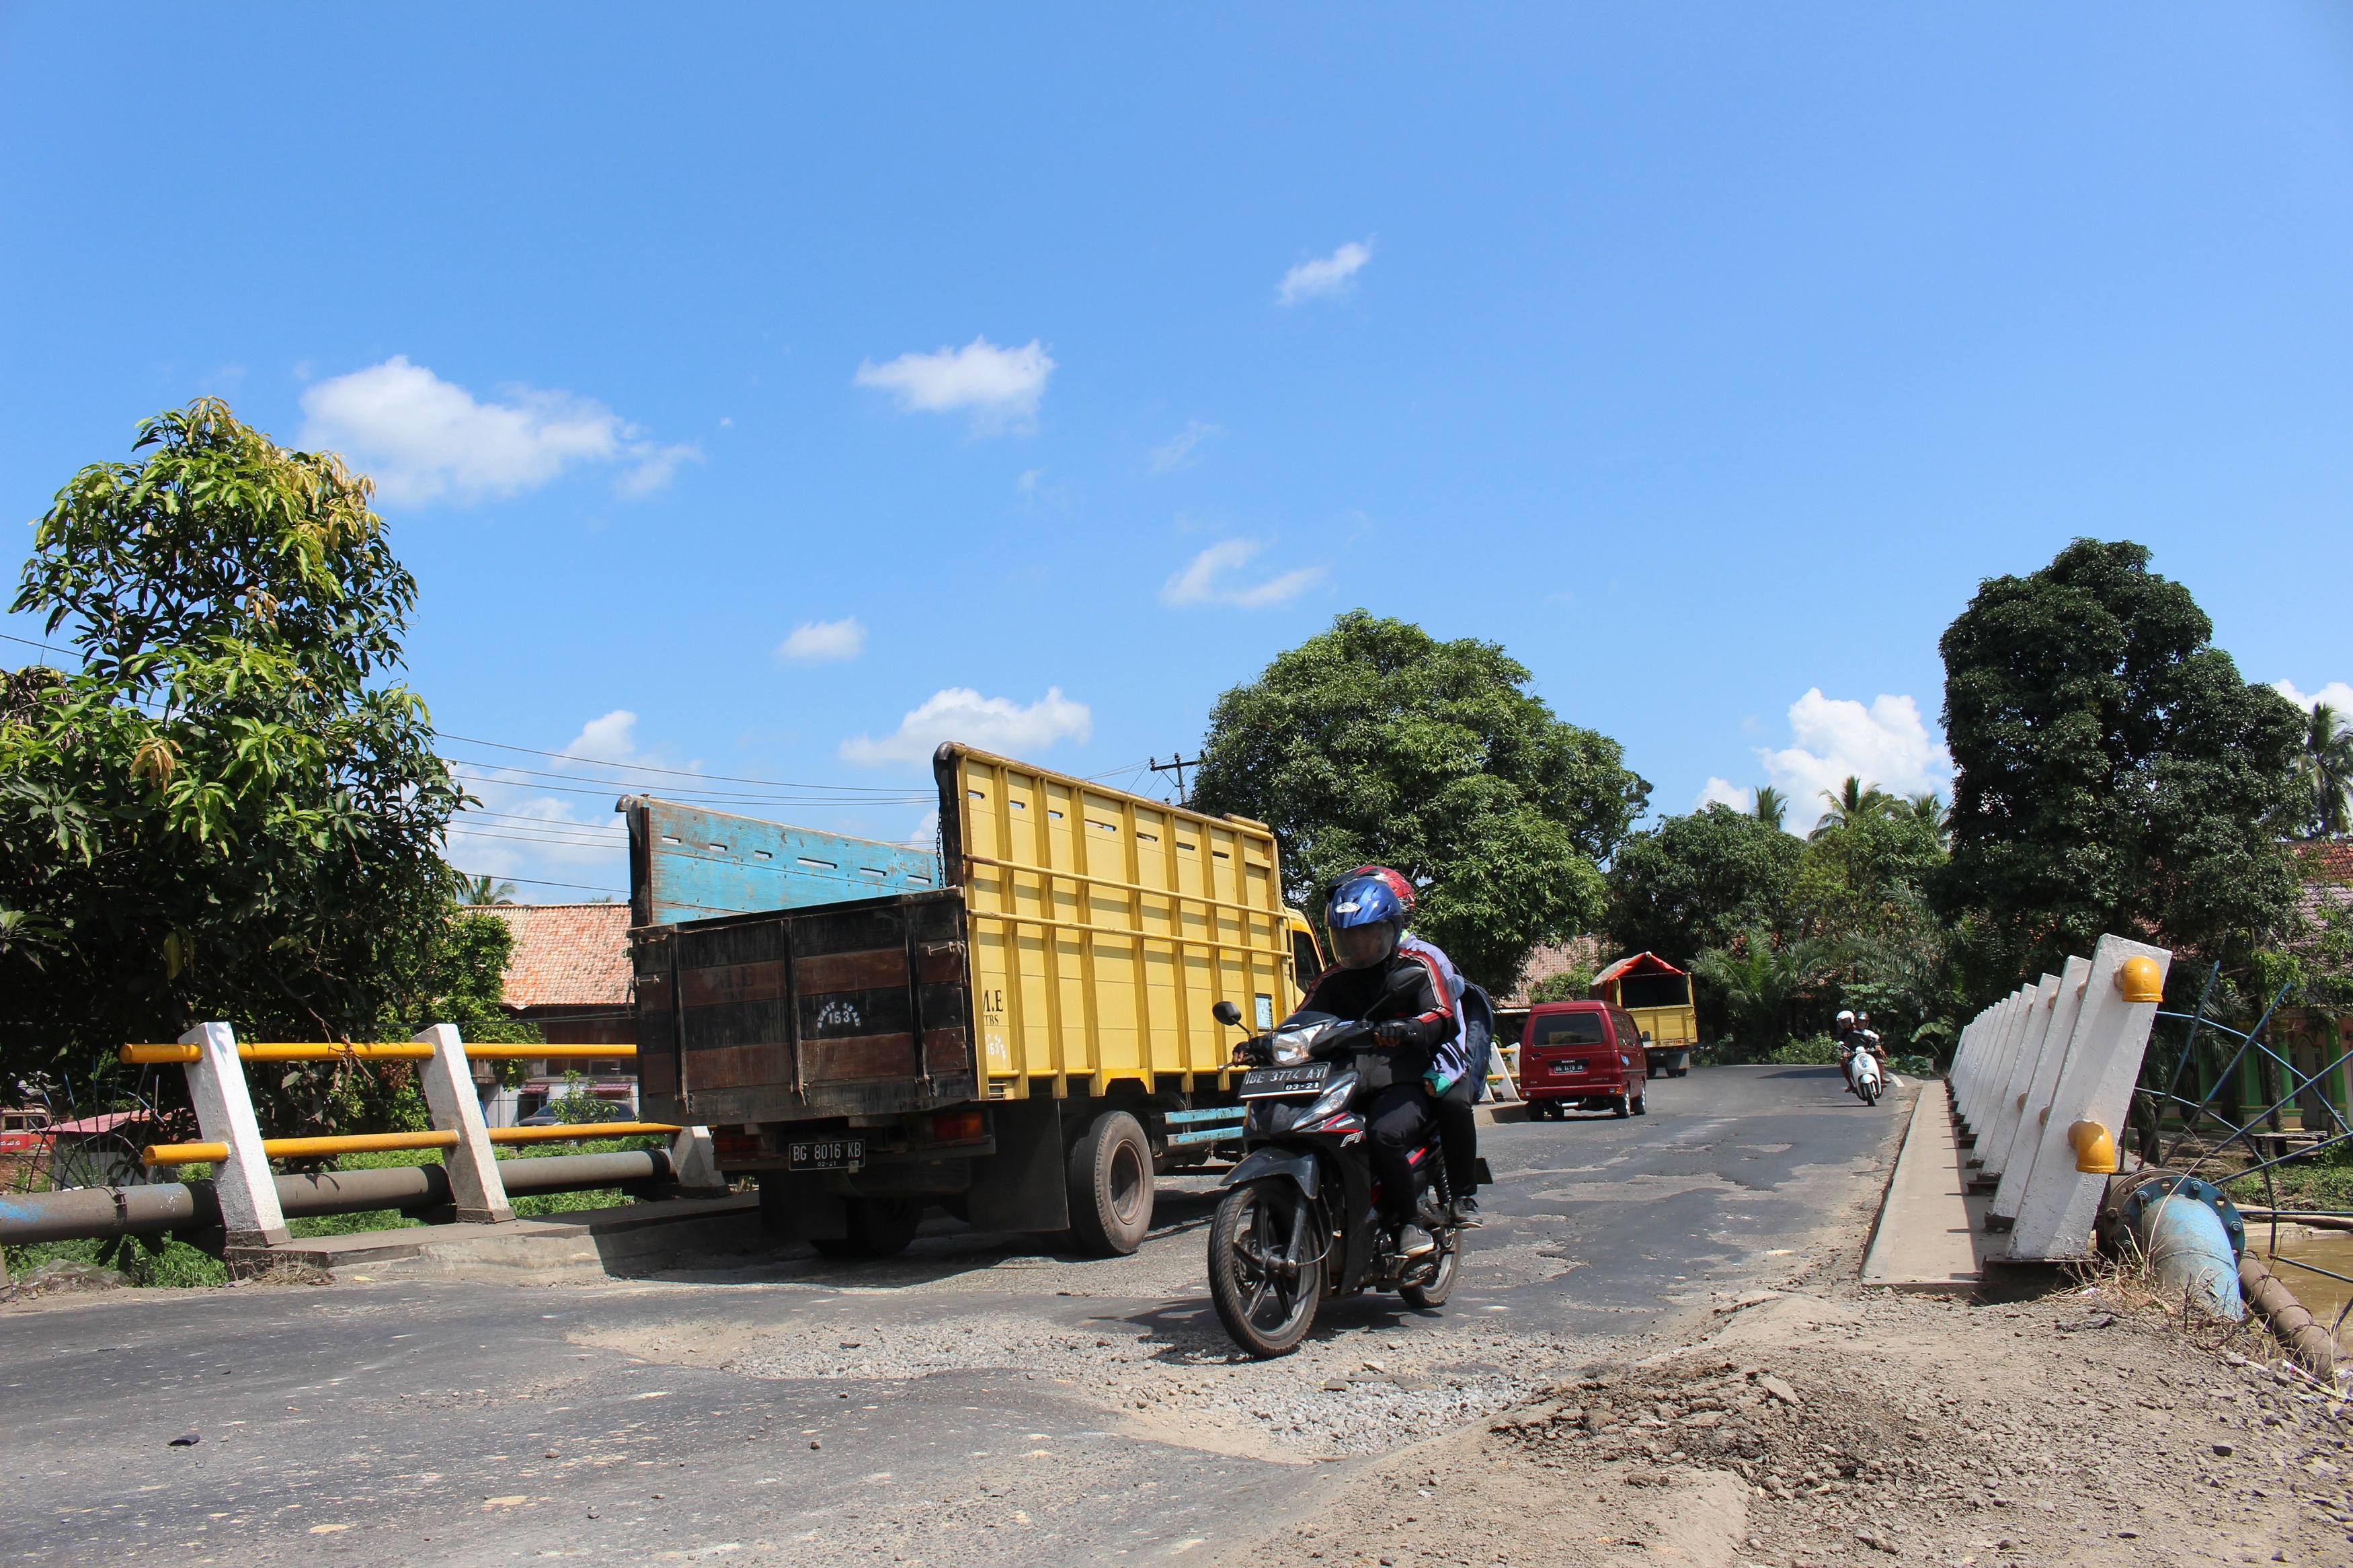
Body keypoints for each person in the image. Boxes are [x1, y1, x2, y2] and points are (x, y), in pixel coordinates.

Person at [1297, 870, 1460, 1258]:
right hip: (1342, 1083)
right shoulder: (1333, 979)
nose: (1356, 942)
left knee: (1384, 1135)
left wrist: (1408, 1029)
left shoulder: (1417, 966)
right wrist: (1262, 1043)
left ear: (1389, 928)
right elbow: (1300, 1020)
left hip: (1400, 1082)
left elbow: (1442, 1014)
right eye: (1348, 935)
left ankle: (1409, 1224)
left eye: (1365, 932)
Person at [1343, 865, 1488, 1229]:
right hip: (1375, 1066)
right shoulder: (1349, 966)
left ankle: (1462, 1194)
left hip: (1435, 1061)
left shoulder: (1426, 958)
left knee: (1454, 1103)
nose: (1361, 936)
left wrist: (1441, 1072)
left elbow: (1449, 1020)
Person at [1833, 1009, 1884, 1098]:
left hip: (1869, 1053)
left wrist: (1877, 1047)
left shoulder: (1868, 1032)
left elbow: (1875, 1041)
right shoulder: (1849, 1034)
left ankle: (1880, 1079)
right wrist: (1845, 1052)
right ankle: (1852, 1084)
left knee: (1880, 1059)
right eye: (1843, 1022)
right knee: (1845, 1063)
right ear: (1856, 1022)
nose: (1861, 1024)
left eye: (1846, 1021)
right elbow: (1845, 1045)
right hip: (1854, 1054)